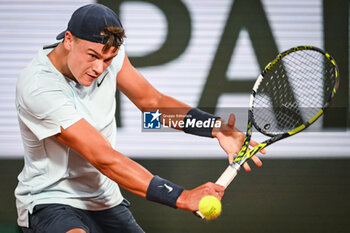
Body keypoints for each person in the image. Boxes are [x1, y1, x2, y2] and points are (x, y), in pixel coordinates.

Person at [15, 3, 264, 233]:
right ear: (68, 40)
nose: (100, 68)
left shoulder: (108, 57)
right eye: (92, 56)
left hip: (104, 198)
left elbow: (152, 104)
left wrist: (215, 127)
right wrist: (181, 196)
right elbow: (103, 157)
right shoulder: (39, 87)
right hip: (51, 199)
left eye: (108, 59)